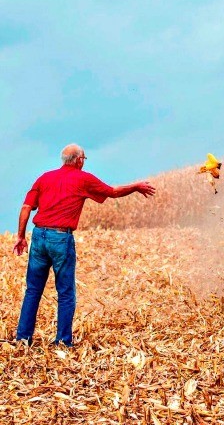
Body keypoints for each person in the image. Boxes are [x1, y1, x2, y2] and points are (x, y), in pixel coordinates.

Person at [13, 144, 156, 347]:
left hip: (38, 236)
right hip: (61, 239)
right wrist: (135, 187)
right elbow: (113, 192)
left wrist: (20, 236)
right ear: (79, 160)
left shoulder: (44, 177)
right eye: (84, 159)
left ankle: (22, 339)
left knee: (33, 290)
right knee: (65, 293)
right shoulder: (83, 178)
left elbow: (27, 207)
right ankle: (62, 342)